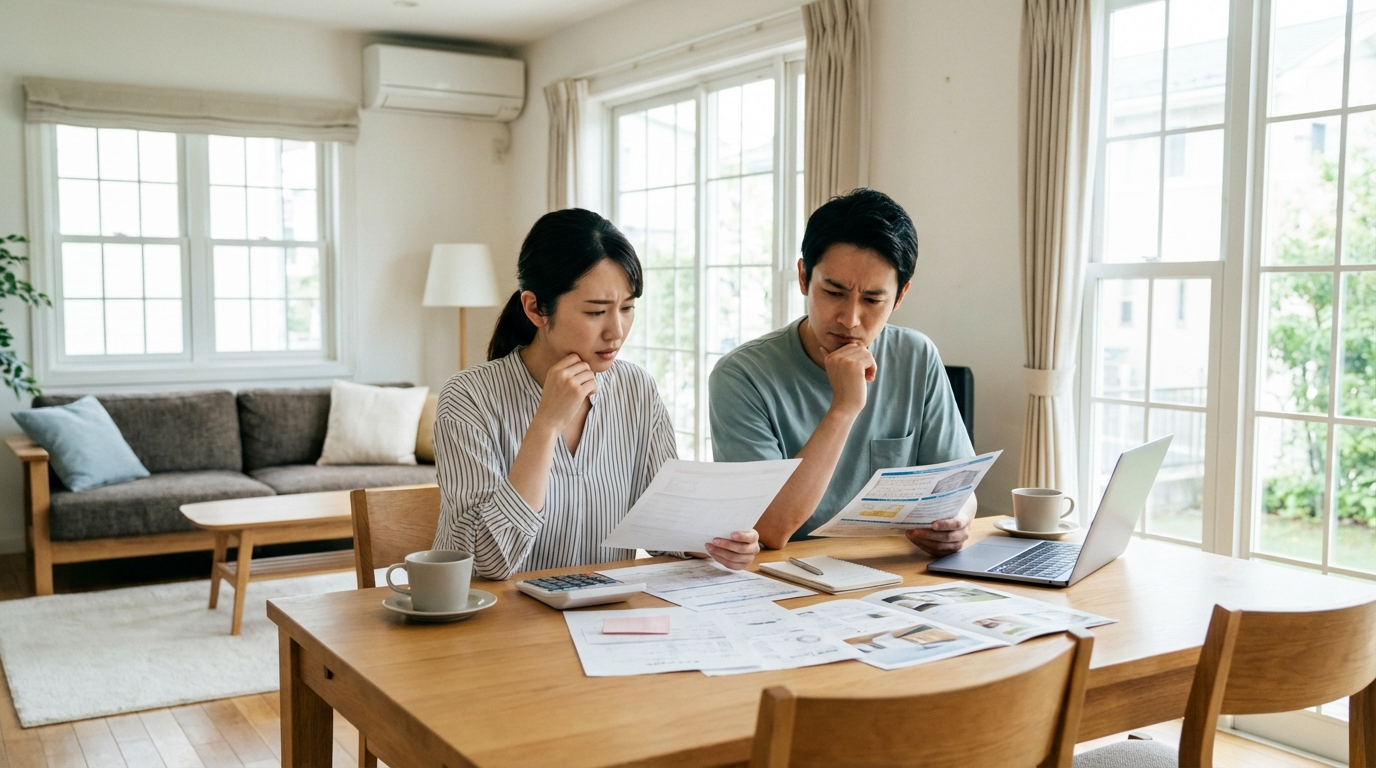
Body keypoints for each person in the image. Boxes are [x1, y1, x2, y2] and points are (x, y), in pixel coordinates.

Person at [432, 209, 761, 580]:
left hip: (600, 619)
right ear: (535, 308)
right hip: (496, 626)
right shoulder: (467, 398)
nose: (616, 332)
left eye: (627, 308)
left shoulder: (636, 389)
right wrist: (545, 426)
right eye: (595, 312)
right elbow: (487, 562)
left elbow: (663, 527)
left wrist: (716, 541)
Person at [708, 188, 975, 555]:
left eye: (872, 300)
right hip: (788, 582)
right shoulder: (740, 376)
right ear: (804, 276)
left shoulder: (917, 355)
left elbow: (960, 486)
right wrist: (844, 408)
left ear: (900, 296)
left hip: (896, 574)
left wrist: (957, 520)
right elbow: (770, 528)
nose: (850, 319)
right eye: (833, 292)